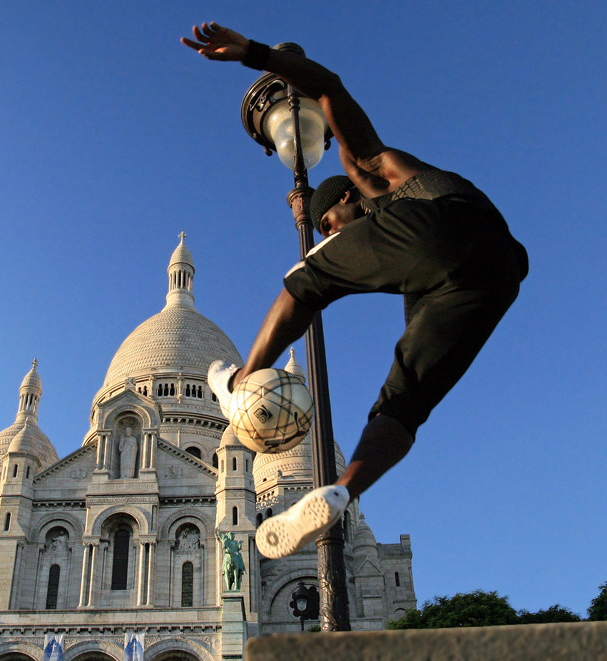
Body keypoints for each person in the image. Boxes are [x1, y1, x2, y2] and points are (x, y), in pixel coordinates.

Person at [182, 23, 528, 559]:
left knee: (307, 278)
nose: (333, 232)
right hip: (495, 276)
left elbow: (331, 88)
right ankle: (342, 491)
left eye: (328, 221)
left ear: (346, 196)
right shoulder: (402, 247)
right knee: (405, 401)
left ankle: (240, 382)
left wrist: (254, 54)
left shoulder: (371, 172)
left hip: (447, 228)